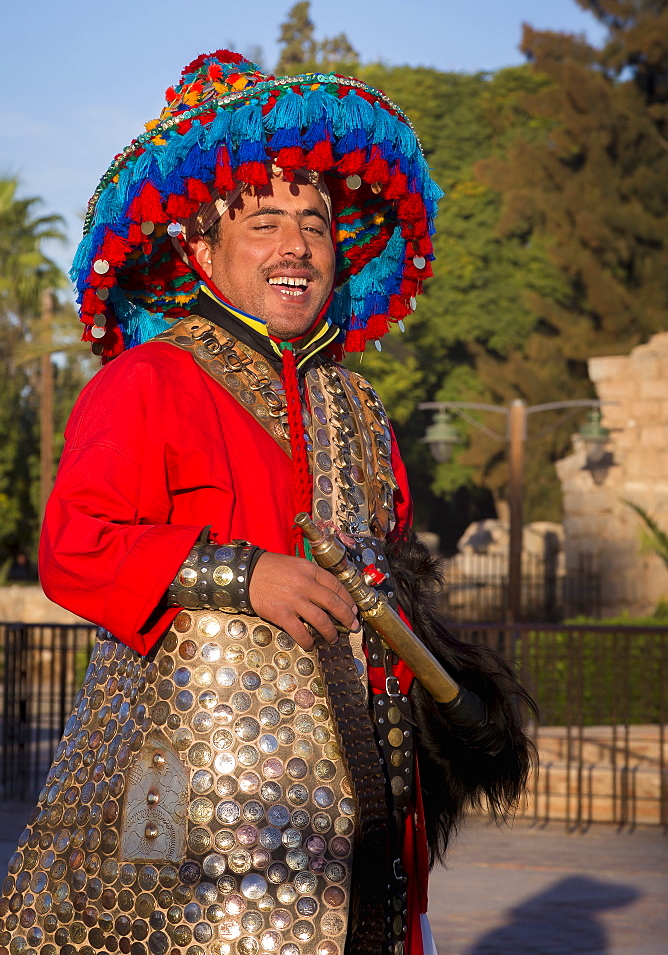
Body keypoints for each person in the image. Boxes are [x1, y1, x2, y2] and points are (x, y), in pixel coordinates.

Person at [0, 51, 533, 955]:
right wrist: (242, 576)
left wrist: (455, 699)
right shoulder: (151, 380)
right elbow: (75, 548)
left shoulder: (359, 409)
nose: (296, 246)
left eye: (315, 224)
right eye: (263, 223)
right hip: (196, 829)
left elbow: (391, 597)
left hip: (366, 827)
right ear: (200, 250)